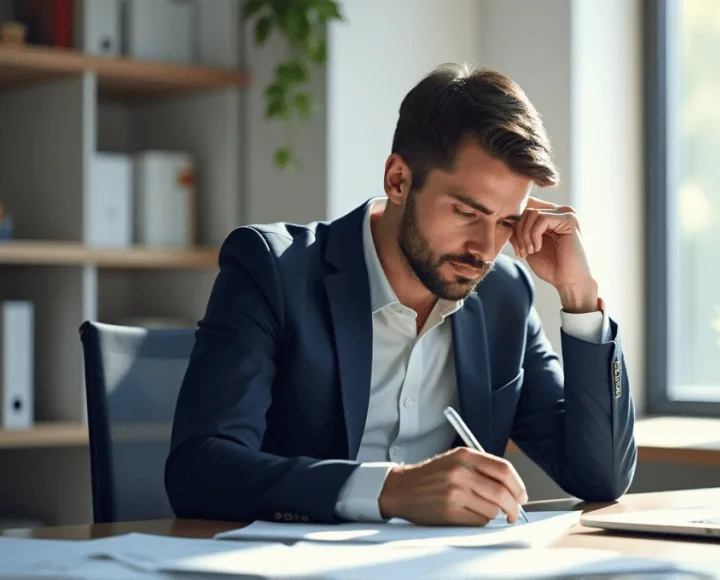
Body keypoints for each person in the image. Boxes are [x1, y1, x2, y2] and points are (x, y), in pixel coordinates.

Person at [164, 63, 637, 526]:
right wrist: (389, 490)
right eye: (466, 213)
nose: (486, 250)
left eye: (507, 222)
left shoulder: (504, 297)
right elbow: (200, 469)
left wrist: (578, 296)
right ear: (398, 180)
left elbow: (600, 477)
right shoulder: (273, 270)